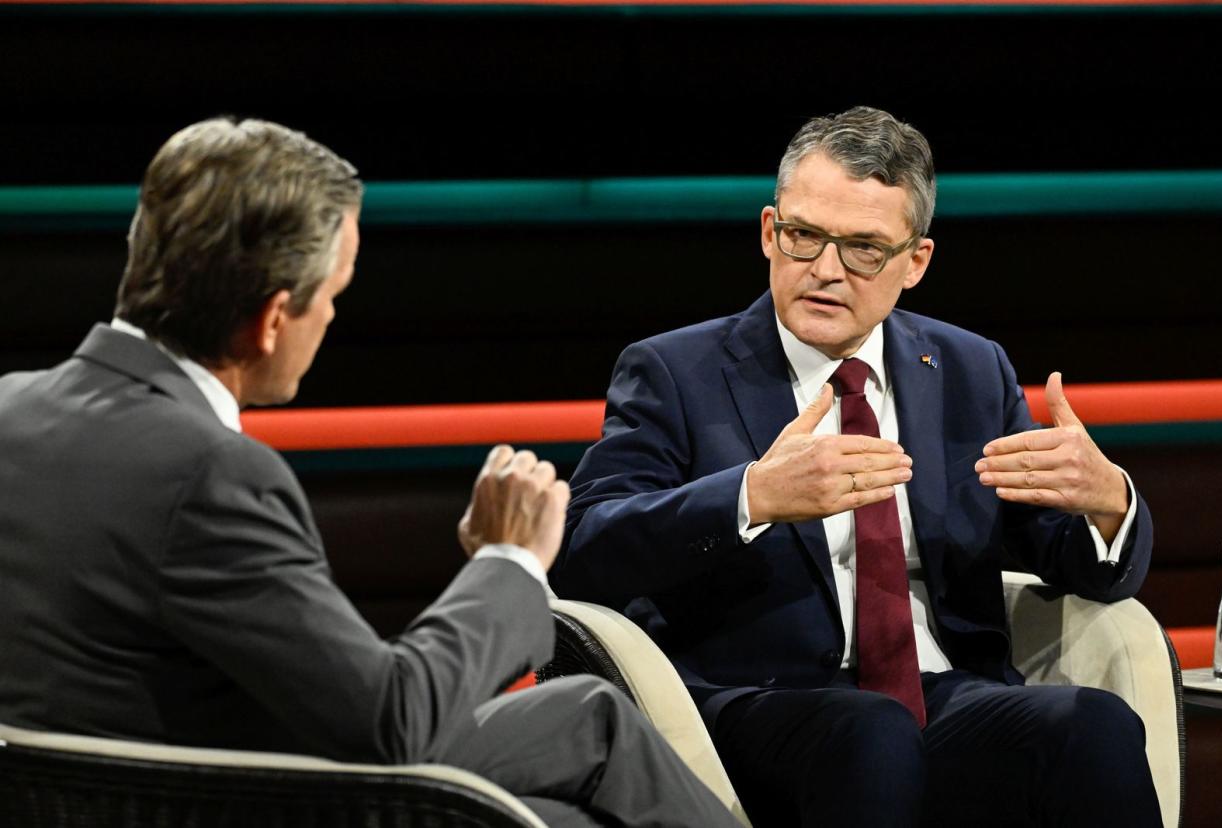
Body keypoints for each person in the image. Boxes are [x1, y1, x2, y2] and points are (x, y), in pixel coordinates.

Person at [0, 117, 740, 828]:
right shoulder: (211, 474)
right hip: (231, 794)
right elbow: (389, 722)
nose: (331, 318)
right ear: (271, 319)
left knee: (589, 720)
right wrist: (509, 559)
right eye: (332, 296)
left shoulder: (11, 408)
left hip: (90, 788)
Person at [550, 106, 1161, 827]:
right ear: (769, 233)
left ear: (915, 262)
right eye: (805, 236)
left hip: (944, 695)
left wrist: (1106, 504)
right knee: (871, 732)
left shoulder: (968, 368)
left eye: (865, 249)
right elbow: (583, 549)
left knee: (1095, 724)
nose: (827, 271)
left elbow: (1068, 561)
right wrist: (751, 496)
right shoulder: (676, 371)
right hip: (761, 704)